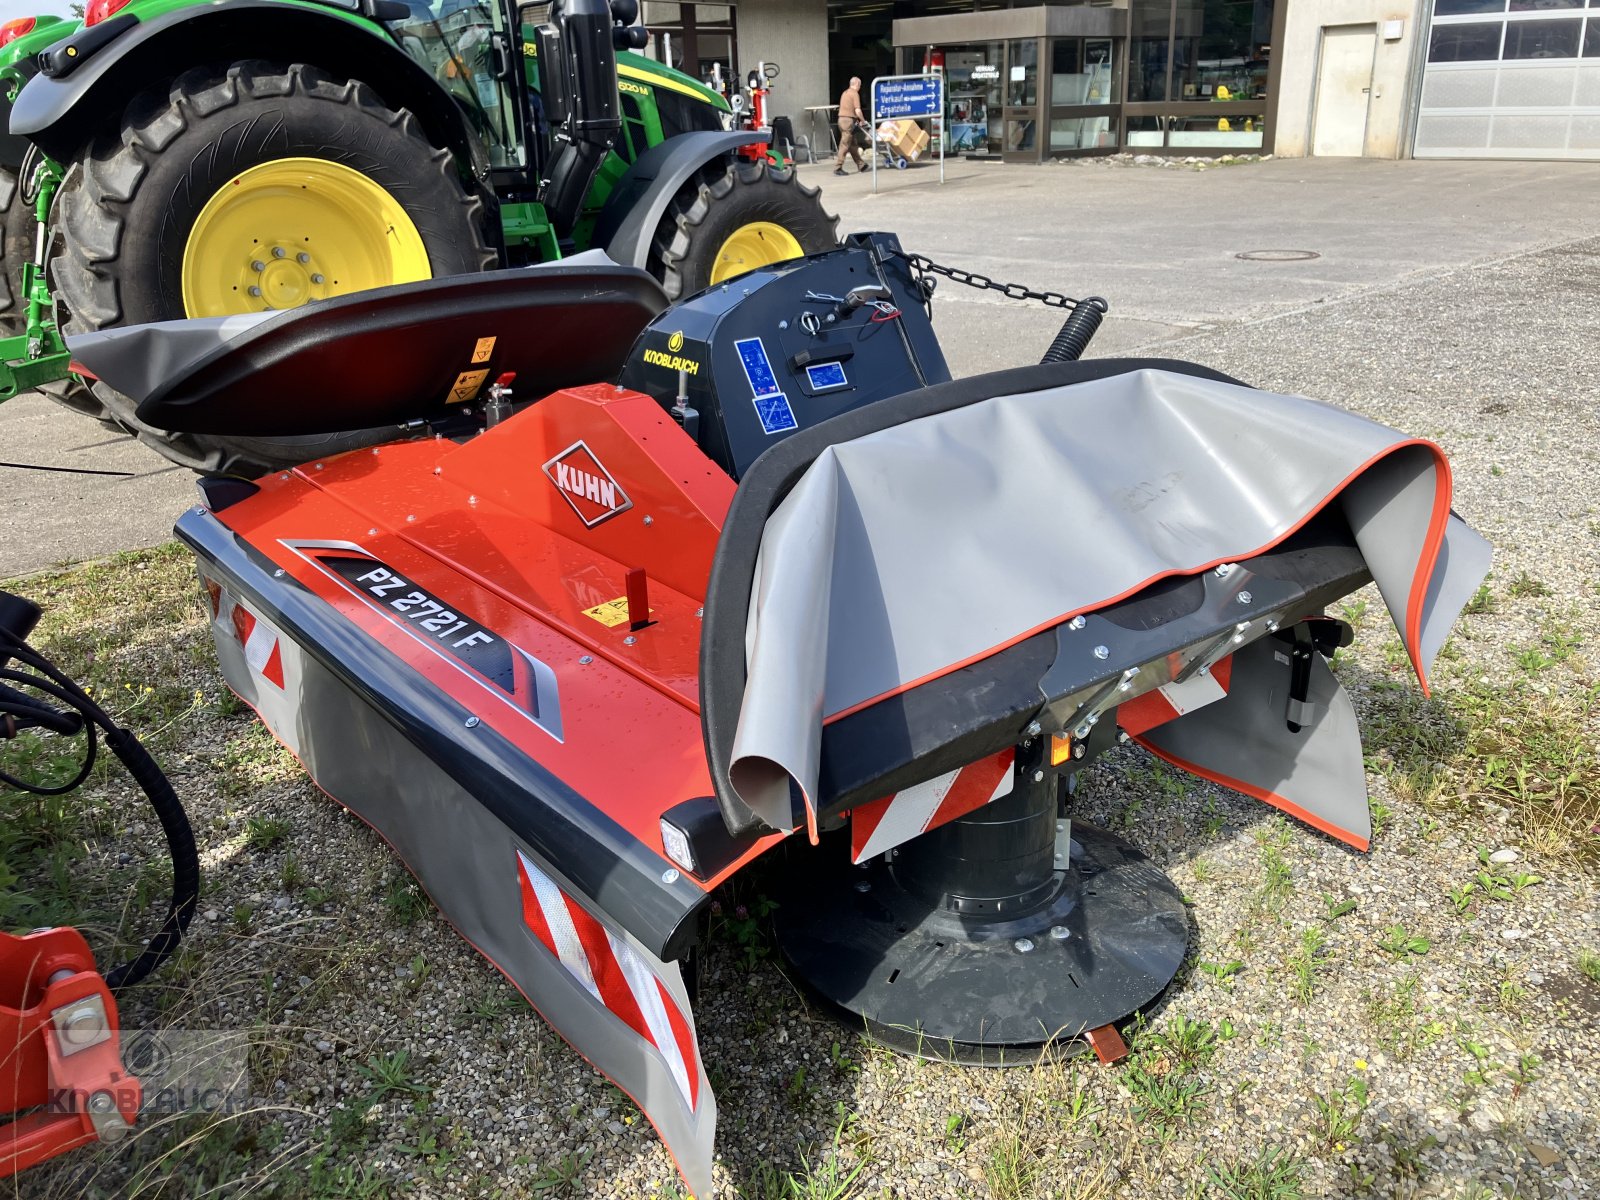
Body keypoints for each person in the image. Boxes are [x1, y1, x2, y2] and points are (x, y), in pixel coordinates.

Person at [833, 76, 868, 175]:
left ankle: (861, 165)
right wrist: (863, 120)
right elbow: (857, 110)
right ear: (856, 84)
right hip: (848, 121)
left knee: (852, 144)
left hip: (841, 120)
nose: (860, 88)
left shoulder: (845, 93)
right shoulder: (854, 94)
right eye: (860, 85)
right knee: (844, 144)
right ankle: (838, 167)